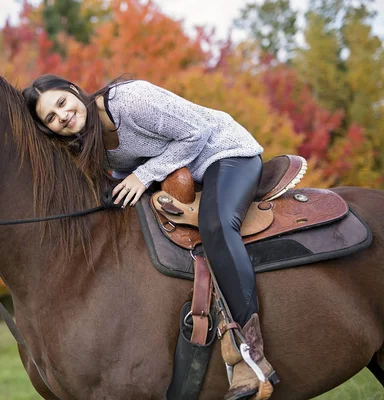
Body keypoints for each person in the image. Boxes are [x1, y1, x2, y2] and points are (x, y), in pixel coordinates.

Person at [22, 75, 277, 400]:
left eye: (61, 103)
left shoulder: (129, 101)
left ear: (74, 91)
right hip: (176, 175)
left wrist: (142, 177)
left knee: (216, 226)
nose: (63, 116)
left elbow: (196, 132)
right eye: (51, 119)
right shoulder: (84, 142)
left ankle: (250, 354)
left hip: (221, 152)